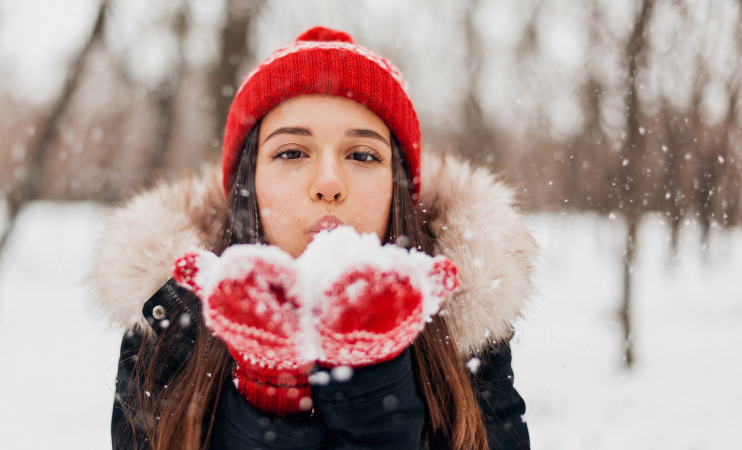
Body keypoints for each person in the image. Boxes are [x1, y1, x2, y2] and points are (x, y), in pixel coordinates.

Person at [89, 26, 537, 449]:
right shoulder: (171, 325)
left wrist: (372, 387)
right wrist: (271, 397)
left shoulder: (461, 332)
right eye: (291, 152)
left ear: (397, 189)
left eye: (362, 155)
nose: (328, 183)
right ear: (249, 184)